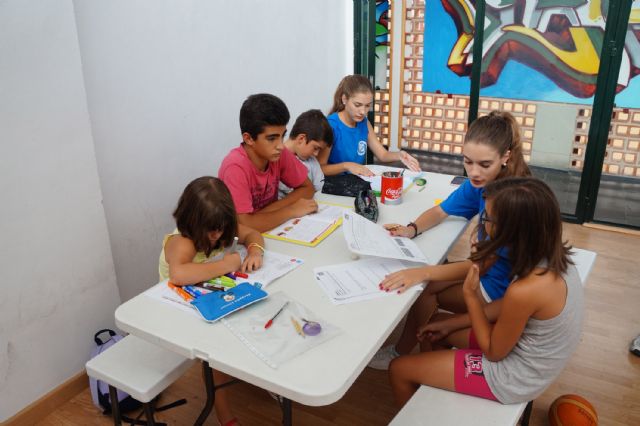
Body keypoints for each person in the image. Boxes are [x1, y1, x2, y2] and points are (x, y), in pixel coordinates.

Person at [389, 177, 584, 407]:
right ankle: (436, 399)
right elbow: (506, 308)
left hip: (514, 376)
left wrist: (471, 295)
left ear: (511, 232)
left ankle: (431, 392)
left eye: (487, 218)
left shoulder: (527, 288)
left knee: (399, 369)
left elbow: (493, 351)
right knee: (437, 327)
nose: (482, 223)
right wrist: (452, 323)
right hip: (525, 351)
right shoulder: (550, 255)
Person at [369, 111, 531, 369]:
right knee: (427, 283)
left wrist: (423, 273)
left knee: (424, 289)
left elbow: (482, 264)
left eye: (484, 164)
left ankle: (408, 353)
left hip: (501, 288)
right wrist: (411, 229)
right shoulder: (483, 182)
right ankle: (419, 349)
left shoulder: (511, 199)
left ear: (506, 157)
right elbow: (440, 210)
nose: (474, 172)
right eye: (467, 162)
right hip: (487, 269)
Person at [159, 176, 264, 426]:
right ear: (191, 221)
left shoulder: (221, 227)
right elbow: (179, 274)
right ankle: (224, 413)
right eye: (211, 230)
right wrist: (226, 264)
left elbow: (252, 233)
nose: (217, 235)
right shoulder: (181, 242)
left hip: (209, 298)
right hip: (175, 309)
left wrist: (255, 250)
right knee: (215, 354)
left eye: (222, 228)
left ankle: (257, 373)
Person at [219, 93, 318, 233]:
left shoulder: (278, 153)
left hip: (271, 230)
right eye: (272, 138)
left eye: (282, 136)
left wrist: (262, 215)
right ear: (249, 139)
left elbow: (307, 188)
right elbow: (245, 224)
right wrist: (290, 210)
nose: (281, 145)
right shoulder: (235, 167)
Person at [318, 74, 421, 177]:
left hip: (355, 183)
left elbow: (383, 155)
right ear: (344, 99)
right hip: (333, 187)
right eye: (357, 105)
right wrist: (347, 166)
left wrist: (400, 155)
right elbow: (320, 168)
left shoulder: (364, 123)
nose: (363, 112)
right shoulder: (331, 126)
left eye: (367, 106)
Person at [278, 109, 333, 198]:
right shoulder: (278, 159)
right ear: (301, 139)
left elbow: (319, 188)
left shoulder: (311, 160)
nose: (316, 154)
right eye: (315, 148)